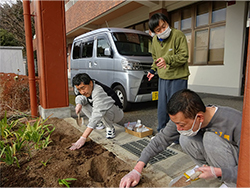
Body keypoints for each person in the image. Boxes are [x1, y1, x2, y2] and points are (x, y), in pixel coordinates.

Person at [119, 89, 241, 188]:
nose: (178, 128)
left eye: (181, 125)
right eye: (176, 124)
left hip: (238, 167)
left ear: (200, 117)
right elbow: (161, 139)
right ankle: (204, 169)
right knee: (185, 138)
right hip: (218, 162)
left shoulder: (235, 121)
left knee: (211, 138)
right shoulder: (183, 116)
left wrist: (220, 172)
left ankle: (231, 184)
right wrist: (137, 170)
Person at [147, 13, 190, 132]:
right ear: (154, 32)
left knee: (177, 108)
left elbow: (183, 56)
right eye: (158, 29)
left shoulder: (178, 35)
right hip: (163, 78)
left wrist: (167, 60)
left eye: (164, 26)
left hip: (178, 77)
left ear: (167, 22)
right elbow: (155, 58)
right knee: (162, 108)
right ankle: (162, 132)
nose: (163, 30)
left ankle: (176, 136)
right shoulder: (155, 40)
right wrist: (152, 70)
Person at [69, 73, 124, 150]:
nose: (82, 92)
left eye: (83, 88)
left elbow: (96, 114)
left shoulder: (98, 91)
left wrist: (83, 137)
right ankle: (99, 123)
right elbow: (80, 97)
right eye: (79, 89)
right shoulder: (88, 89)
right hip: (103, 110)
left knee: (103, 109)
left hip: (116, 113)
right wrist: (78, 104)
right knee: (82, 103)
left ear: (91, 83)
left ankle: (110, 127)